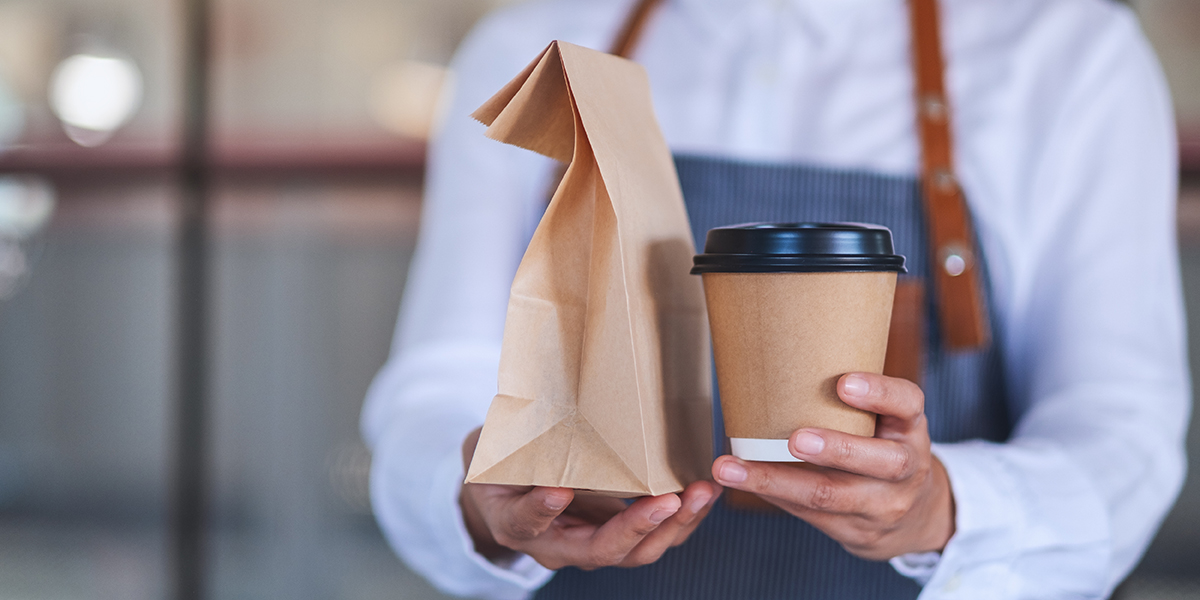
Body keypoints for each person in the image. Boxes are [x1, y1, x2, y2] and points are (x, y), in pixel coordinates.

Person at [361, 0, 1190, 598]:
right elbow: (438, 382)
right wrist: (478, 495)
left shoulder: (1067, 52)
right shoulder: (535, 43)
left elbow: (1122, 427)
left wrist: (946, 507)